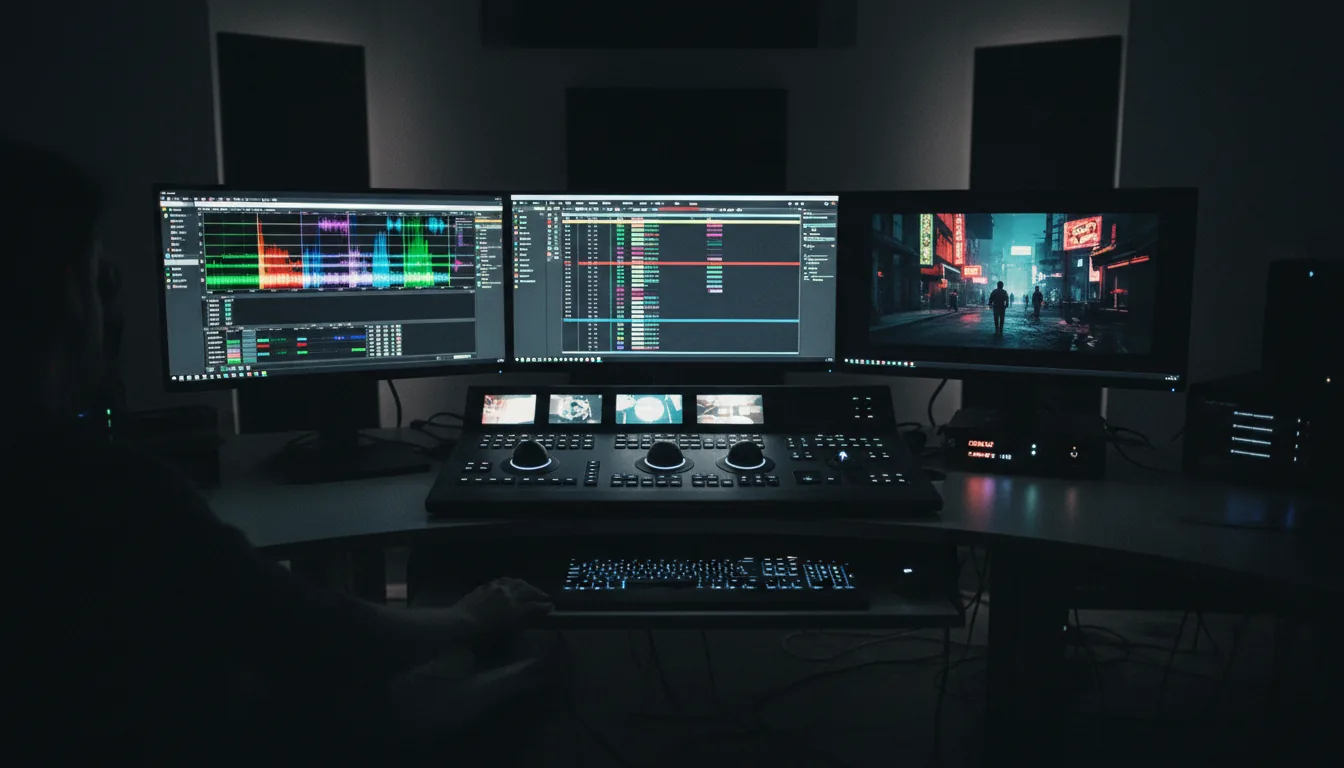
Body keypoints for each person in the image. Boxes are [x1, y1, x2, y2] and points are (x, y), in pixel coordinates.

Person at [7, 143, 555, 765]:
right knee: (545, 665)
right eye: (96, 271)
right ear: (65, 301)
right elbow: (320, 637)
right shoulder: (109, 491)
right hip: (230, 734)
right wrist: (469, 618)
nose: (111, 297)